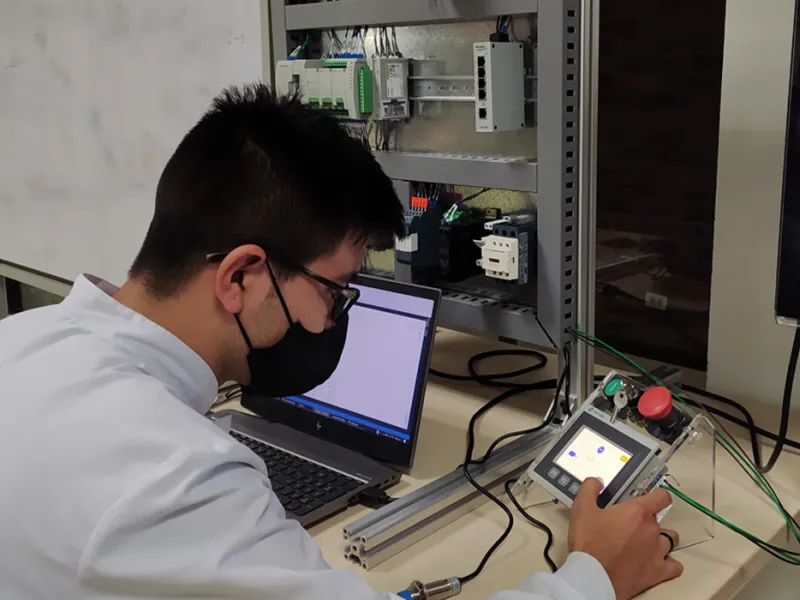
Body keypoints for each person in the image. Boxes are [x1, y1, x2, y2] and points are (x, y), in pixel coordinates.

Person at [0, 84, 683, 600]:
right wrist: (593, 577)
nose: (334, 320)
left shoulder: (21, 341)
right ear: (240, 276)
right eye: (335, 291)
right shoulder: (177, 481)